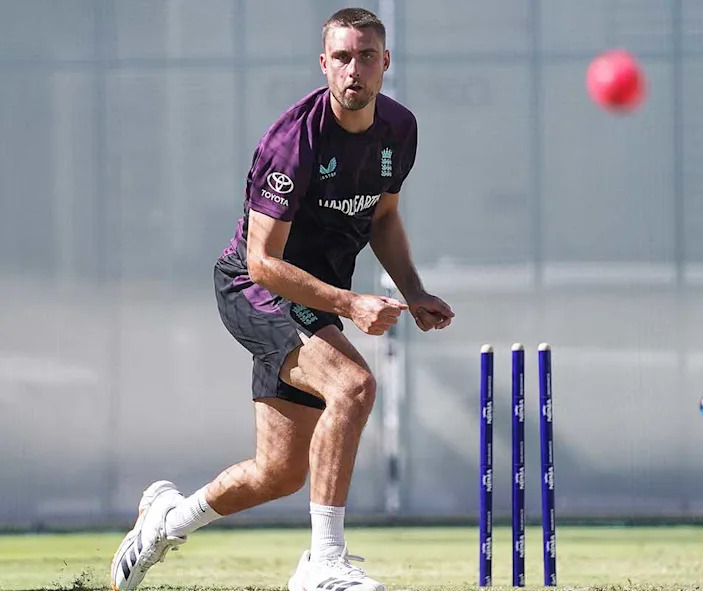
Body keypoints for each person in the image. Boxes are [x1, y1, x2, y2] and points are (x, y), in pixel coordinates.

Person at [110, 8, 454, 591]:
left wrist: (413, 290)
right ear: (324, 65)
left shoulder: (399, 130)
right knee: (354, 385)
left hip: (312, 301)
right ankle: (324, 562)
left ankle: (166, 520)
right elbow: (261, 262)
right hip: (255, 289)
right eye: (342, 58)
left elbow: (384, 218)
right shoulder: (293, 142)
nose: (354, 70)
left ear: (385, 64)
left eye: (366, 57)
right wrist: (350, 304)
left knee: (279, 473)